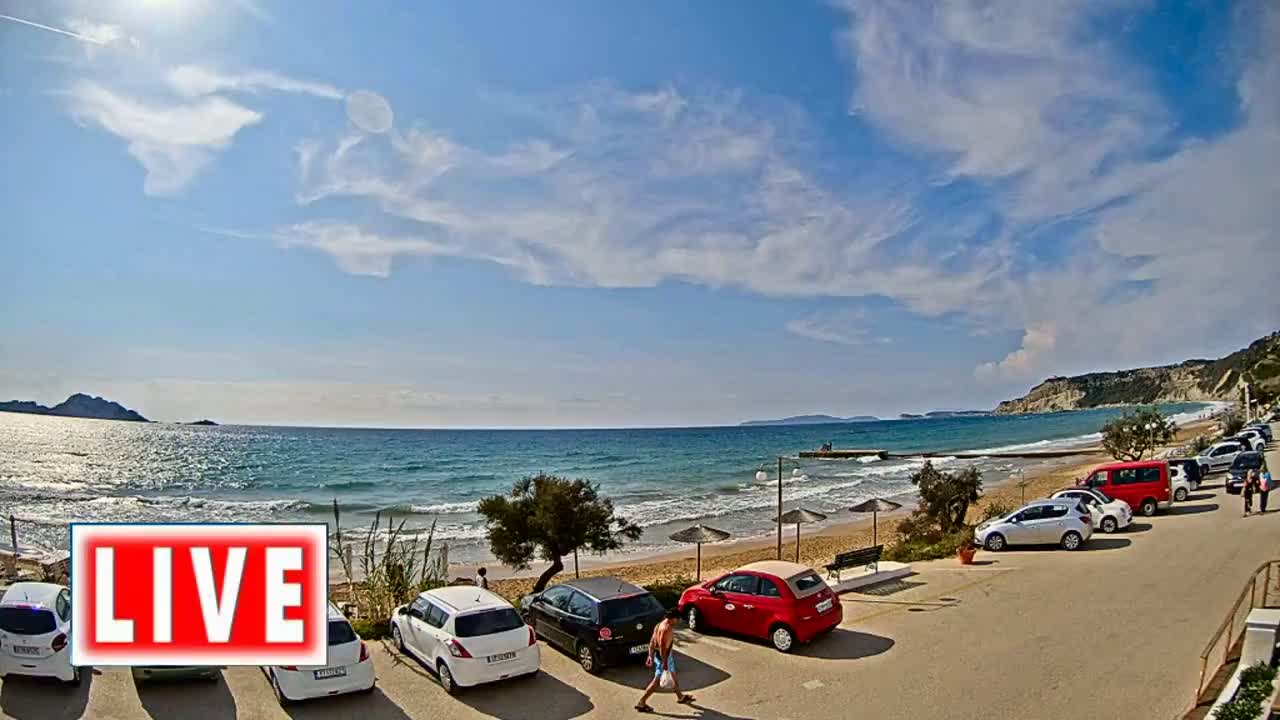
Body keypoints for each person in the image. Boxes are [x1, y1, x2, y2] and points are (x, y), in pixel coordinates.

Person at [635, 608, 694, 712]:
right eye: (677, 619)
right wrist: (665, 663)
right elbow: (662, 648)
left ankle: (680, 697)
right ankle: (641, 702)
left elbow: (652, 641)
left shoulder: (659, 625)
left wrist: (650, 655)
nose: (678, 621)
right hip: (664, 657)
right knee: (656, 681)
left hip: (662, 656)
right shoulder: (666, 629)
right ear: (672, 618)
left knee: (673, 676)